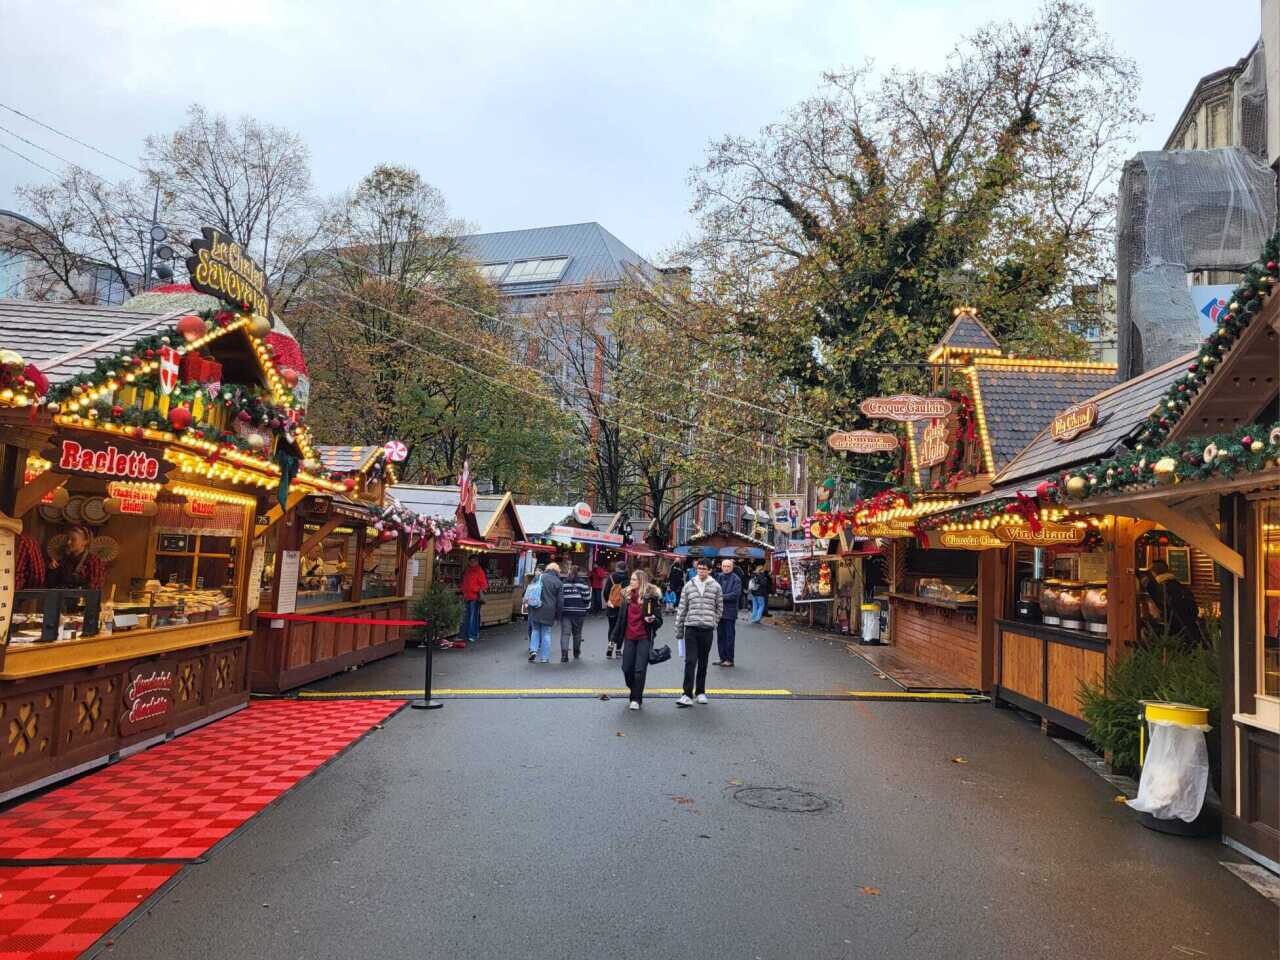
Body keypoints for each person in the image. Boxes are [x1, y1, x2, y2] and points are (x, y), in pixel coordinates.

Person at [608, 569, 663, 710]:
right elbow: (620, 620)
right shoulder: (626, 597)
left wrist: (653, 619)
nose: (631, 582)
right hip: (629, 637)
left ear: (641, 581)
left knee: (639, 670)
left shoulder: (650, 597)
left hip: (644, 637)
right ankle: (635, 690)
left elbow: (659, 621)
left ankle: (636, 699)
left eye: (634, 580)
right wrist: (613, 639)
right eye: (631, 579)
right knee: (626, 668)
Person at [673, 559, 723, 707]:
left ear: (710, 570)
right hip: (691, 628)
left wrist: (714, 622)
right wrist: (679, 629)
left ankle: (700, 692)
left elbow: (720, 607)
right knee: (690, 661)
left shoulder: (716, 586)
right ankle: (686, 694)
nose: (701, 571)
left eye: (704, 569)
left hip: (707, 628)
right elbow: (682, 608)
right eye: (699, 568)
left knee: (703, 661)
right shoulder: (689, 585)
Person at [1142, 559, 1206, 649]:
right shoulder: (1179, 586)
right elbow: (1194, 610)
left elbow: (1159, 613)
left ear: (1153, 573)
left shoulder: (1159, 589)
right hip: (1191, 632)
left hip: (1174, 635)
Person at [48, 525, 105, 590]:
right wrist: (52, 569)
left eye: (73, 539)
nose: (68, 542)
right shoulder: (65, 560)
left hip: (83, 598)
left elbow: (96, 585)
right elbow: (52, 585)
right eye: (67, 539)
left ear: (85, 542)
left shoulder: (94, 561)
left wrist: (78, 590)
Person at [528, 562, 563, 663]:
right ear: (557, 571)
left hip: (536, 607)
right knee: (546, 633)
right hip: (549, 610)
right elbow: (560, 602)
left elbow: (530, 590)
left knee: (535, 630)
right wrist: (558, 616)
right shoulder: (558, 583)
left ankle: (533, 650)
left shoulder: (539, 577)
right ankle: (544, 657)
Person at [559, 563, 591, 661]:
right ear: (578, 573)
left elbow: (560, 598)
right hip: (579, 613)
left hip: (566, 612)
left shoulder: (563, 584)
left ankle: (564, 656)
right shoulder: (583, 583)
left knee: (565, 633)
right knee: (577, 634)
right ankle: (576, 652)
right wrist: (585, 607)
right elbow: (587, 597)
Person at [713, 558, 741, 667]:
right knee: (720, 636)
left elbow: (735, 595)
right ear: (721, 566)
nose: (726, 568)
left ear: (732, 567)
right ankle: (722, 658)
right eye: (724, 566)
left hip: (730, 612)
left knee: (729, 636)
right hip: (719, 611)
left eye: (728, 566)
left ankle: (729, 659)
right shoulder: (718, 576)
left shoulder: (736, 579)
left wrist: (720, 597)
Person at [458, 555, 488, 644]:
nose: (472, 563)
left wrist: (474, 589)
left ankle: (472, 635)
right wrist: (462, 591)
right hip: (466, 596)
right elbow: (464, 582)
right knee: (465, 617)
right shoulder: (467, 570)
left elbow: (484, 585)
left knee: (472, 617)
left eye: (473, 561)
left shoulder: (479, 571)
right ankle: (465, 635)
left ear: (477, 562)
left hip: (474, 597)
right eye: (470, 561)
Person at [604, 561, 629, 659]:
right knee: (621, 629)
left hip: (612, 606)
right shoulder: (628, 579)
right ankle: (618, 650)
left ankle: (610, 648)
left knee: (612, 627)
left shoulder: (611, 577)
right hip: (623, 607)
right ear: (625, 568)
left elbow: (606, 592)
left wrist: (608, 601)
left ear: (617, 567)